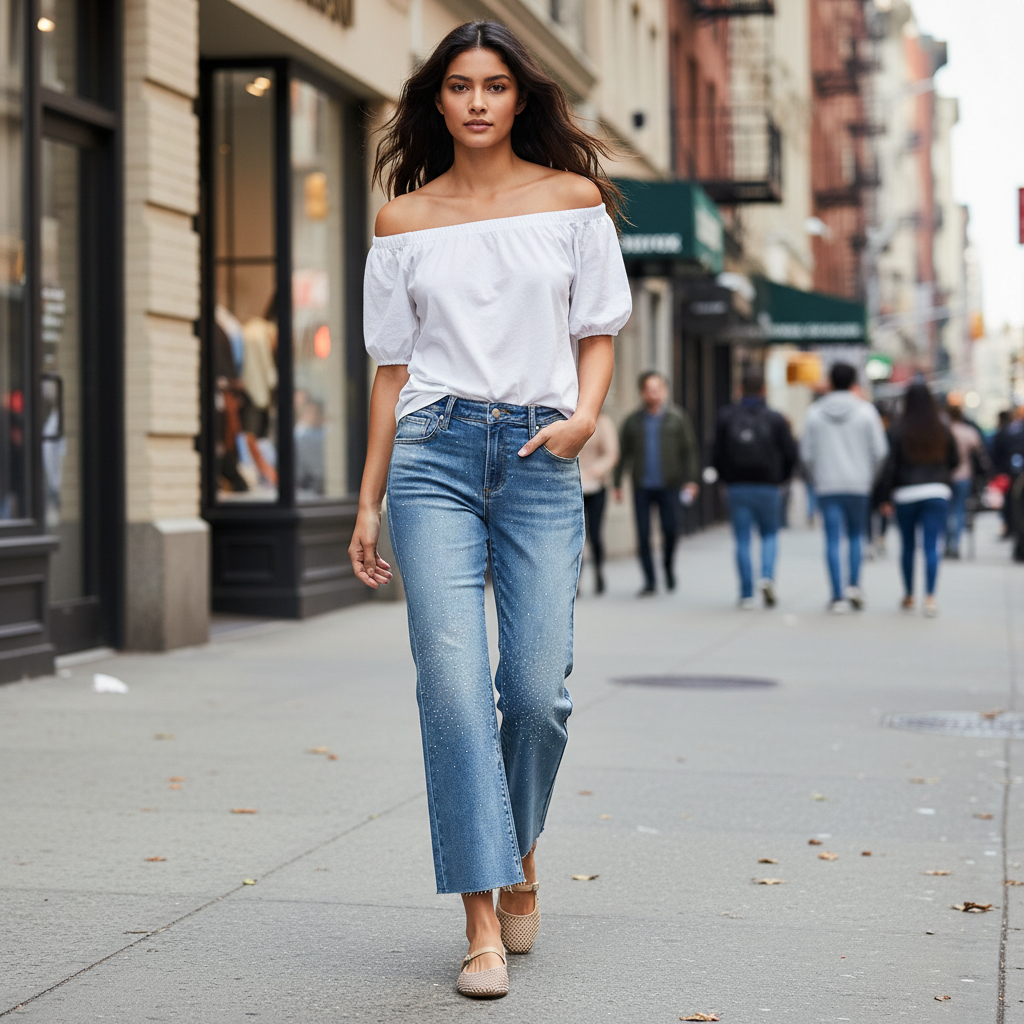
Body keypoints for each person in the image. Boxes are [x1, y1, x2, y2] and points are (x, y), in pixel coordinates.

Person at [347, 21, 631, 999]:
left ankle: (519, 848)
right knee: (455, 686)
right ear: (438, 101)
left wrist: (587, 415)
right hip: (432, 458)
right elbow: (390, 370)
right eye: (460, 85)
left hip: (539, 454)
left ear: (520, 100)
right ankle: (479, 919)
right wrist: (367, 496)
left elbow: (597, 332)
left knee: (540, 689)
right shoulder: (402, 222)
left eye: (495, 85)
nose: (476, 101)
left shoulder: (571, 203)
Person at [799, 362, 888, 613]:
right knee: (856, 536)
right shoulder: (866, 412)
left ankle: (837, 595)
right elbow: (880, 451)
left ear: (830, 381)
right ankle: (854, 586)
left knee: (832, 539)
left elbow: (805, 454)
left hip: (827, 484)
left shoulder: (814, 412)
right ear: (853, 382)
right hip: (858, 484)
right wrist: (870, 477)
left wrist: (816, 476)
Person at [712, 369, 798, 608]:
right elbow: (790, 453)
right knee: (769, 534)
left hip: (737, 486)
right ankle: (767, 577)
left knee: (742, 539)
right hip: (768, 486)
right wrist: (783, 479)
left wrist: (724, 478)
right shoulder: (776, 418)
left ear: (740, 389)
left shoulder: (727, 416)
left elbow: (716, 452)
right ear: (763, 390)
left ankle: (747, 593)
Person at [613, 372, 699, 596]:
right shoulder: (632, 422)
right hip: (642, 485)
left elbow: (688, 451)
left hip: (669, 485)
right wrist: (617, 484)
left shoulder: (677, 418)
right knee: (643, 534)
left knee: (671, 530)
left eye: (657, 389)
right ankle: (650, 580)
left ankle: (668, 568)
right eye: (648, 389)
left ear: (664, 391)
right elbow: (623, 455)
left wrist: (691, 480)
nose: (653, 394)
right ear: (642, 392)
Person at [879, 383, 959, 616]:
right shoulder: (942, 429)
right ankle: (931, 597)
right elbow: (954, 460)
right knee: (931, 545)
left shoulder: (898, 429)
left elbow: (890, 466)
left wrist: (885, 496)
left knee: (907, 546)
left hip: (906, 493)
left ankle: (909, 595)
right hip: (936, 491)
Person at [578, 410, 619, 594]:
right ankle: (576, 580)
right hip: (573, 485)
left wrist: (595, 471)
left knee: (594, 533)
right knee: (575, 536)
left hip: (596, 485)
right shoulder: (567, 417)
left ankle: (599, 570)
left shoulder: (603, 422)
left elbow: (611, 454)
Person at [945, 402, 988, 558]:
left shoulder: (944, 432)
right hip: (964, 476)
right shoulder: (968, 432)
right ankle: (954, 544)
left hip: (945, 477)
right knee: (959, 511)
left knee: (947, 511)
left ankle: (948, 543)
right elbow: (981, 453)